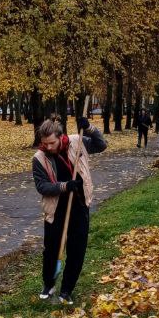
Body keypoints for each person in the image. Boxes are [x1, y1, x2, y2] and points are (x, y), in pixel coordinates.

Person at [32, 117, 107, 303]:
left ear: (60, 136)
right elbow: (42, 186)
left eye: (52, 143)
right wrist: (65, 186)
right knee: (52, 249)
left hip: (79, 205)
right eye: (45, 143)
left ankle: (66, 290)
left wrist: (89, 128)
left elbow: (101, 145)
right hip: (55, 209)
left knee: (77, 250)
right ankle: (49, 284)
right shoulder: (39, 158)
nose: (48, 147)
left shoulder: (77, 142)